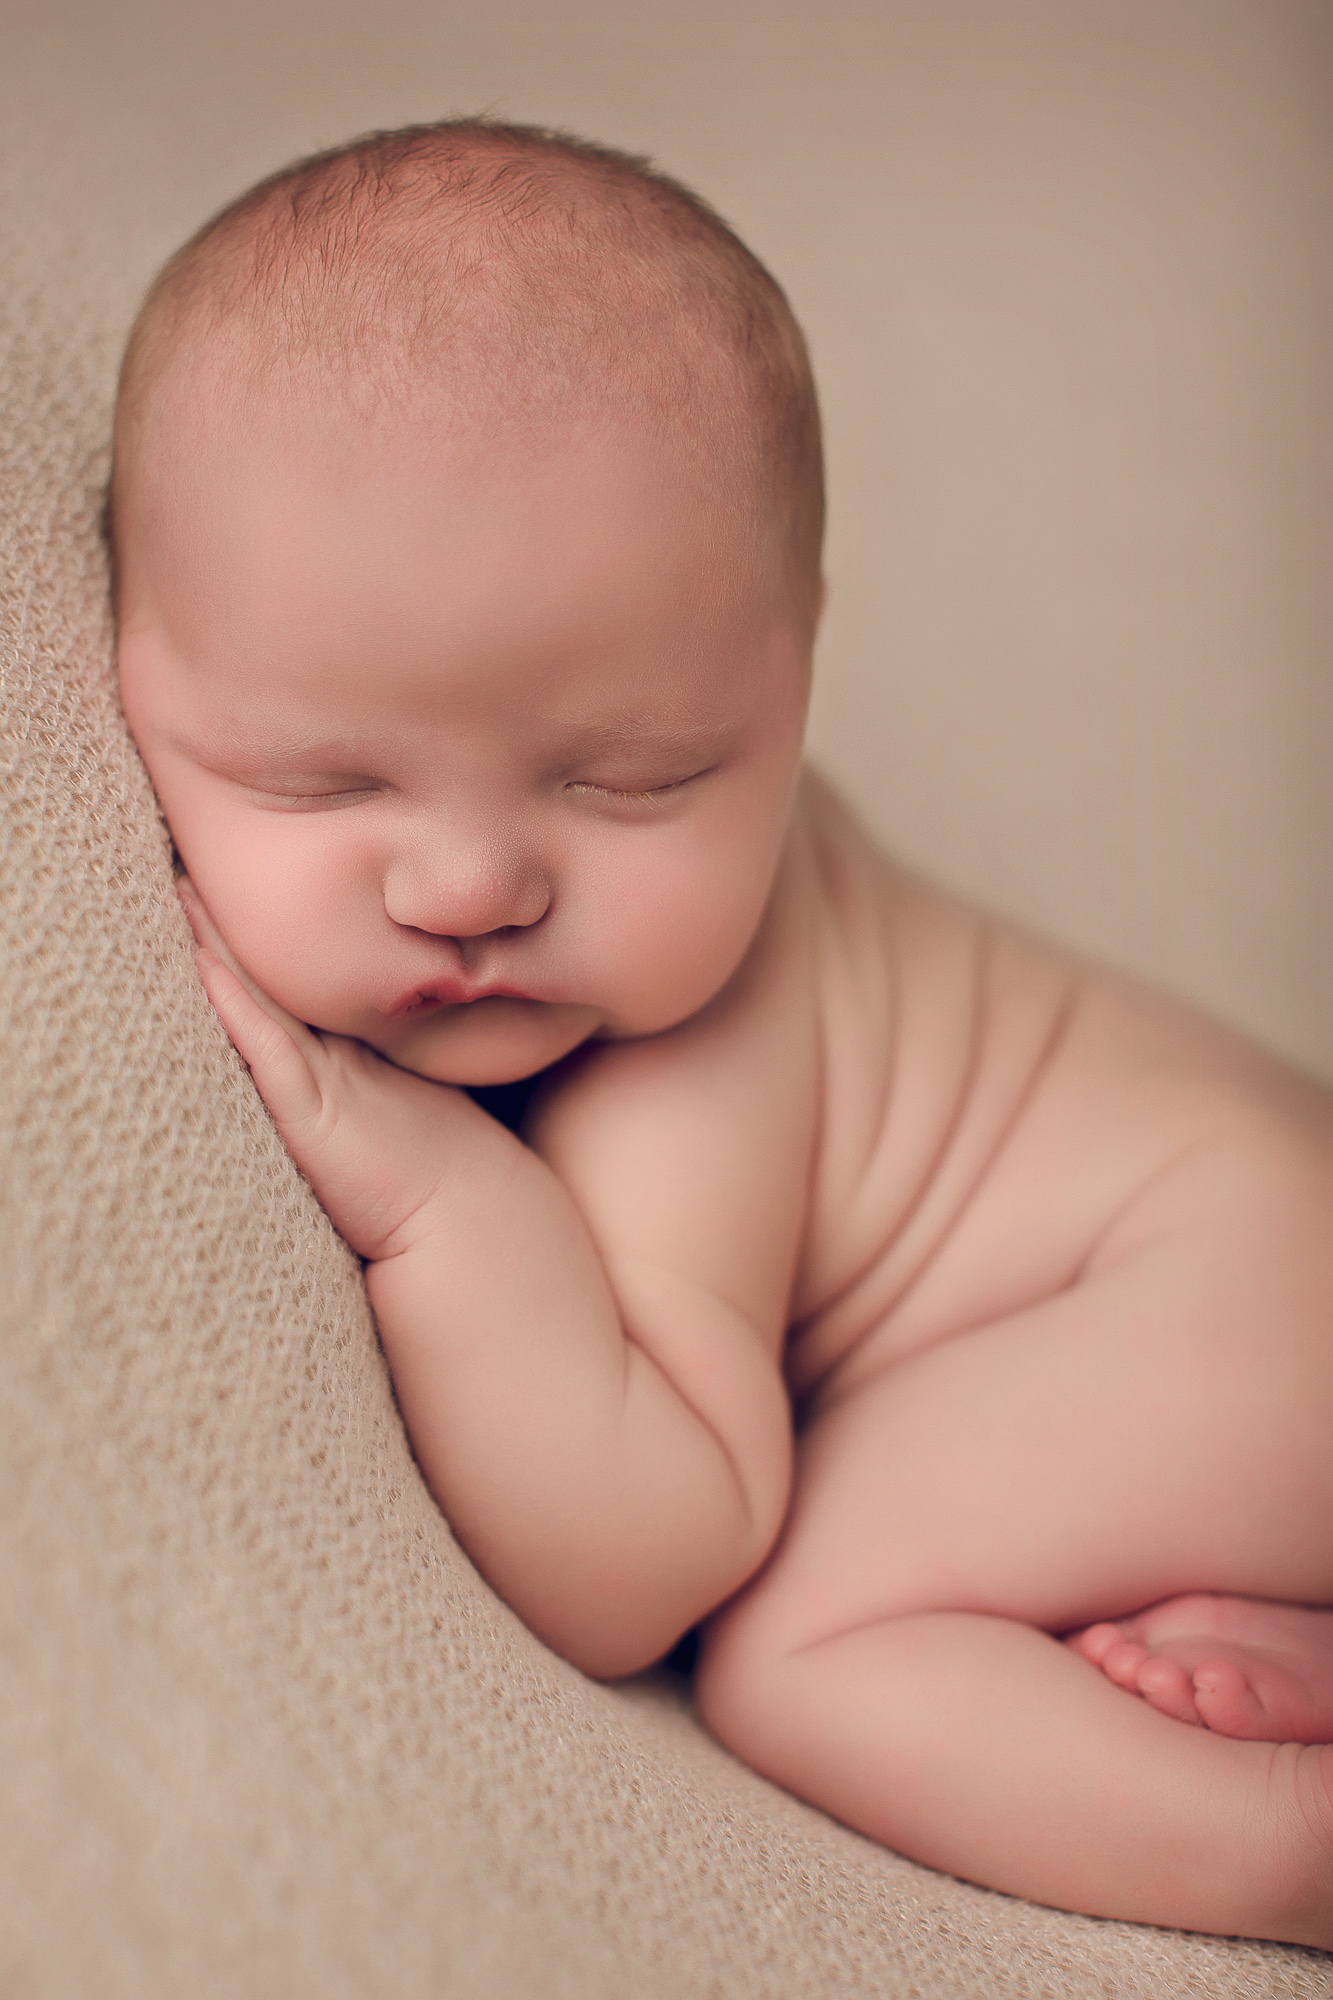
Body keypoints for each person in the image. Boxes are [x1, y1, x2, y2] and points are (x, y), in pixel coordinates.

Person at [111, 118, 1333, 1945]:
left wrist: (444, 1204)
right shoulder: (593, 902)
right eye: (323, 777)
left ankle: (1286, 1844)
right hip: (1221, 1330)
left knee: (798, 1649)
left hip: (1238, 1298)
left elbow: (644, 1554)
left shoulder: (702, 1036)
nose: (468, 885)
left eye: (629, 782)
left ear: (791, 670)